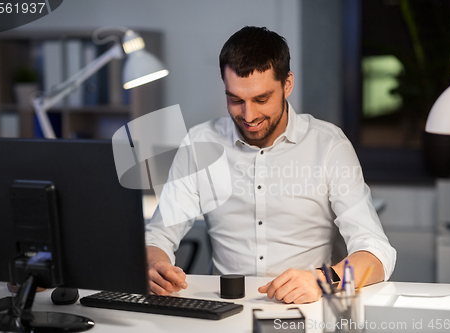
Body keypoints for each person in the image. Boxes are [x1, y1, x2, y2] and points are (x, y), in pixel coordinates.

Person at [145, 26, 396, 304]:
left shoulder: (329, 145)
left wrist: (323, 279)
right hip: (222, 312)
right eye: (236, 100)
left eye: (261, 99)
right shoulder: (200, 144)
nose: (249, 115)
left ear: (287, 84)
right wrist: (154, 265)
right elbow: (158, 234)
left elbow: (376, 252)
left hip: (308, 308)